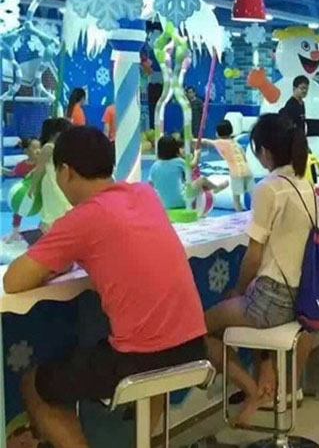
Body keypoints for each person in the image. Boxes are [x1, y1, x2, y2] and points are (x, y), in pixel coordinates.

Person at [4, 127, 206, 448]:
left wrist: (54, 263)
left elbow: (12, 280)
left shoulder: (82, 218)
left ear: (66, 171)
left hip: (140, 359)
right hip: (193, 348)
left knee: (34, 383)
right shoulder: (145, 194)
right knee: (140, 375)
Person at [203, 114, 315, 425]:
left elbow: (253, 257)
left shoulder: (269, 188)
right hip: (301, 296)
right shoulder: (305, 185)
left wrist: (238, 290)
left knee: (199, 329)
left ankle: (253, 391)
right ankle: (268, 382)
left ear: (264, 151)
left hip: (271, 300)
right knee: (248, 307)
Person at [148, 136, 226, 210]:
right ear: (175, 149)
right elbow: (192, 165)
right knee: (202, 180)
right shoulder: (178, 162)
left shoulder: (155, 166)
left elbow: (150, 184)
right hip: (181, 201)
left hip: (163, 204)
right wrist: (197, 155)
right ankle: (216, 188)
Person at [29, 118, 72, 232]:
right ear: (56, 133)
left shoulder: (60, 147)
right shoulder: (48, 148)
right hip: (51, 182)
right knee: (56, 208)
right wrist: (33, 187)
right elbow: (39, 169)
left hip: (59, 180)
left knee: (60, 207)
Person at [202, 120, 254, 212]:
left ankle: (239, 214)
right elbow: (244, 157)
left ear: (217, 133)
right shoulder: (236, 143)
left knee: (236, 198)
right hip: (248, 171)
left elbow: (205, 141)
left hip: (236, 173)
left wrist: (191, 140)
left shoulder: (220, 142)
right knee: (253, 196)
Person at [4, 139, 42, 242]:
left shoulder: (42, 163)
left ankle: (44, 228)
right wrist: (2, 169)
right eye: (34, 148)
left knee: (46, 211)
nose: (38, 150)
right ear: (26, 151)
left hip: (41, 192)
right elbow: (12, 173)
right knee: (18, 211)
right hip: (27, 192)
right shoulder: (22, 165)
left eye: (39, 147)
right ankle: (15, 232)